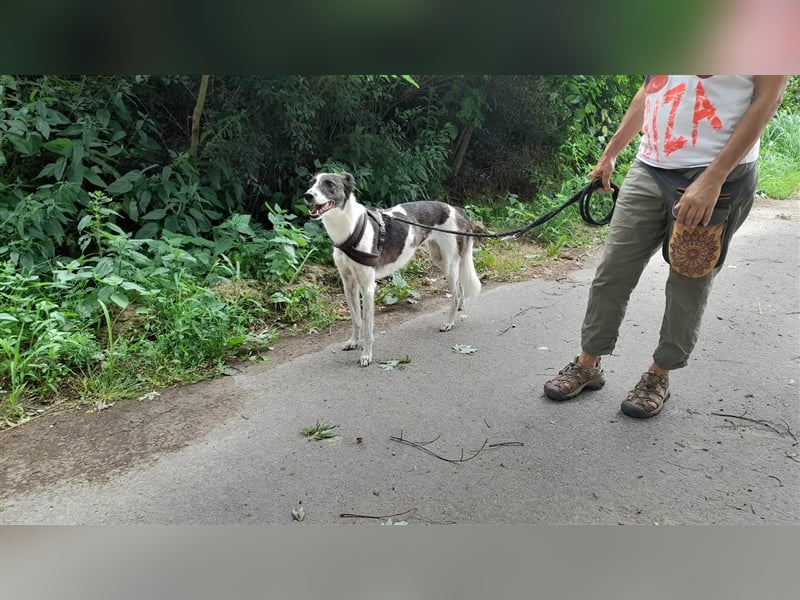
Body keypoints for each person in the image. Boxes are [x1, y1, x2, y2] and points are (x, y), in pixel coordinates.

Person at [543, 75, 789, 418]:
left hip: (715, 176)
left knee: (688, 280)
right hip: (650, 166)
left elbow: (767, 102)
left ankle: (659, 374)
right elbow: (651, 87)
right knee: (613, 269)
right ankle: (588, 362)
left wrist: (714, 178)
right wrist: (611, 153)